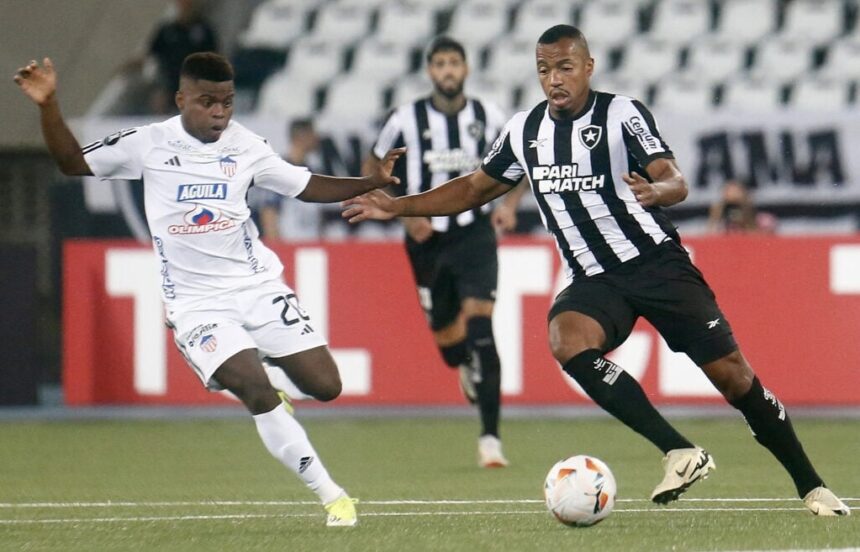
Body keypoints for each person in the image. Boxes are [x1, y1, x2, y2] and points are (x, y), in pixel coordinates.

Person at [342, 25, 850, 516]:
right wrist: (399, 207)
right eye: (544, 70)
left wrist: (658, 191)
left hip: (656, 265)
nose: (554, 79)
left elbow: (674, 178)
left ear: (588, 66)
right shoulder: (523, 130)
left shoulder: (622, 114)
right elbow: (474, 188)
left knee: (735, 379)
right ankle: (679, 451)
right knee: (566, 339)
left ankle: (812, 486)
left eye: (565, 67)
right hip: (594, 278)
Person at [14, 52, 405, 526]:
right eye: (208, 102)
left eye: (227, 102)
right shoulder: (149, 143)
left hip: (257, 285)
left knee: (326, 387)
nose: (220, 112)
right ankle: (333, 496)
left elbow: (304, 186)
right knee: (255, 390)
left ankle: (272, 380)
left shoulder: (247, 146)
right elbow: (71, 162)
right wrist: (49, 105)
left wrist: (369, 182)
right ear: (181, 100)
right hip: (197, 303)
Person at [363, 36, 512, 468]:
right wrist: (404, 216)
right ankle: (462, 361)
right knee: (449, 344)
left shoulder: (489, 116)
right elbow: (373, 166)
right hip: (426, 239)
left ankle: (490, 439)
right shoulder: (405, 119)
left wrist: (509, 206)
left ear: (466, 69)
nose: (447, 71)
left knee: (482, 329)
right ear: (430, 71)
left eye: (454, 63)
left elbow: (521, 161)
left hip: (475, 232)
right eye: (440, 64)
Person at [123, 0, 219, 114]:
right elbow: (150, 53)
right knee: (159, 98)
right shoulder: (167, 30)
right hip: (169, 82)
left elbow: (214, 58)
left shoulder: (204, 30)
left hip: (195, 83)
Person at [250, 118, 324, 240]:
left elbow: (318, 216)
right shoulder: (279, 172)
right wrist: (278, 246)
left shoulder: (313, 173)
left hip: (312, 245)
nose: (317, 138)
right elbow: (269, 215)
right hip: (289, 245)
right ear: (301, 137)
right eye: (313, 134)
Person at [706, 179, 778, 234]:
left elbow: (767, 238)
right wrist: (716, 216)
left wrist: (746, 216)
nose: (734, 212)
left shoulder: (765, 220)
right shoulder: (723, 224)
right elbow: (710, 236)